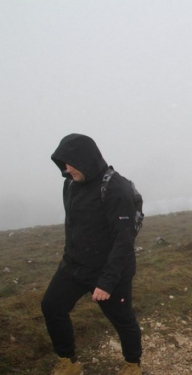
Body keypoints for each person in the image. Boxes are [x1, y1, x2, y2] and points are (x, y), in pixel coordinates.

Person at [41, 134, 142, 375]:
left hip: (108, 271)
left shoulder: (115, 188)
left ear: (86, 160)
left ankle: (132, 364)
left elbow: (124, 240)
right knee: (52, 307)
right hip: (74, 266)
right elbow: (74, 226)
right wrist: (68, 259)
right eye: (63, 163)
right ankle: (68, 361)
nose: (67, 169)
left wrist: (106, 282)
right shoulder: (70, 184)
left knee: (122, 319)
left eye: (72, 163)